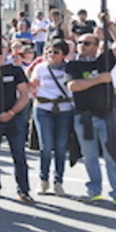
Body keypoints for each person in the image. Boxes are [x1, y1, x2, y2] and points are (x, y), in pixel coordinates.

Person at [66, 16, 116, 205]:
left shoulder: (104, 61)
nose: (82, 46)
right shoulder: (73, 65)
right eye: (79, 43)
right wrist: (99, 80)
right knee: (90, 156)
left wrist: (109, 24)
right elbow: (73, 86)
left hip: (105, 114)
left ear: (95, 45)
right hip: (83, 117)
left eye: (87, 43)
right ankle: (94, 189)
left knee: (112, 155)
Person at [0, 39, 33, 203]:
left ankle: (23, 190)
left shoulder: (15, 70)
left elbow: (24, 95)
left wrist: (11, 112)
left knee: (19, 155)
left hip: (12, 116)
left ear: (8, 49)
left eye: (1, 47)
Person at [29, 40, 73, 197]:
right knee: (46, 146)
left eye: (56, 52)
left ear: (63, 54)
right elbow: (33, 83)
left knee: (61, 147)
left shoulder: (70, 68)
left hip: (64, 109)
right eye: (49, 52)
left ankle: (58, 181)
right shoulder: (41, 68)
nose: (52, 55)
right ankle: (43, 180)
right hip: (43, 108)